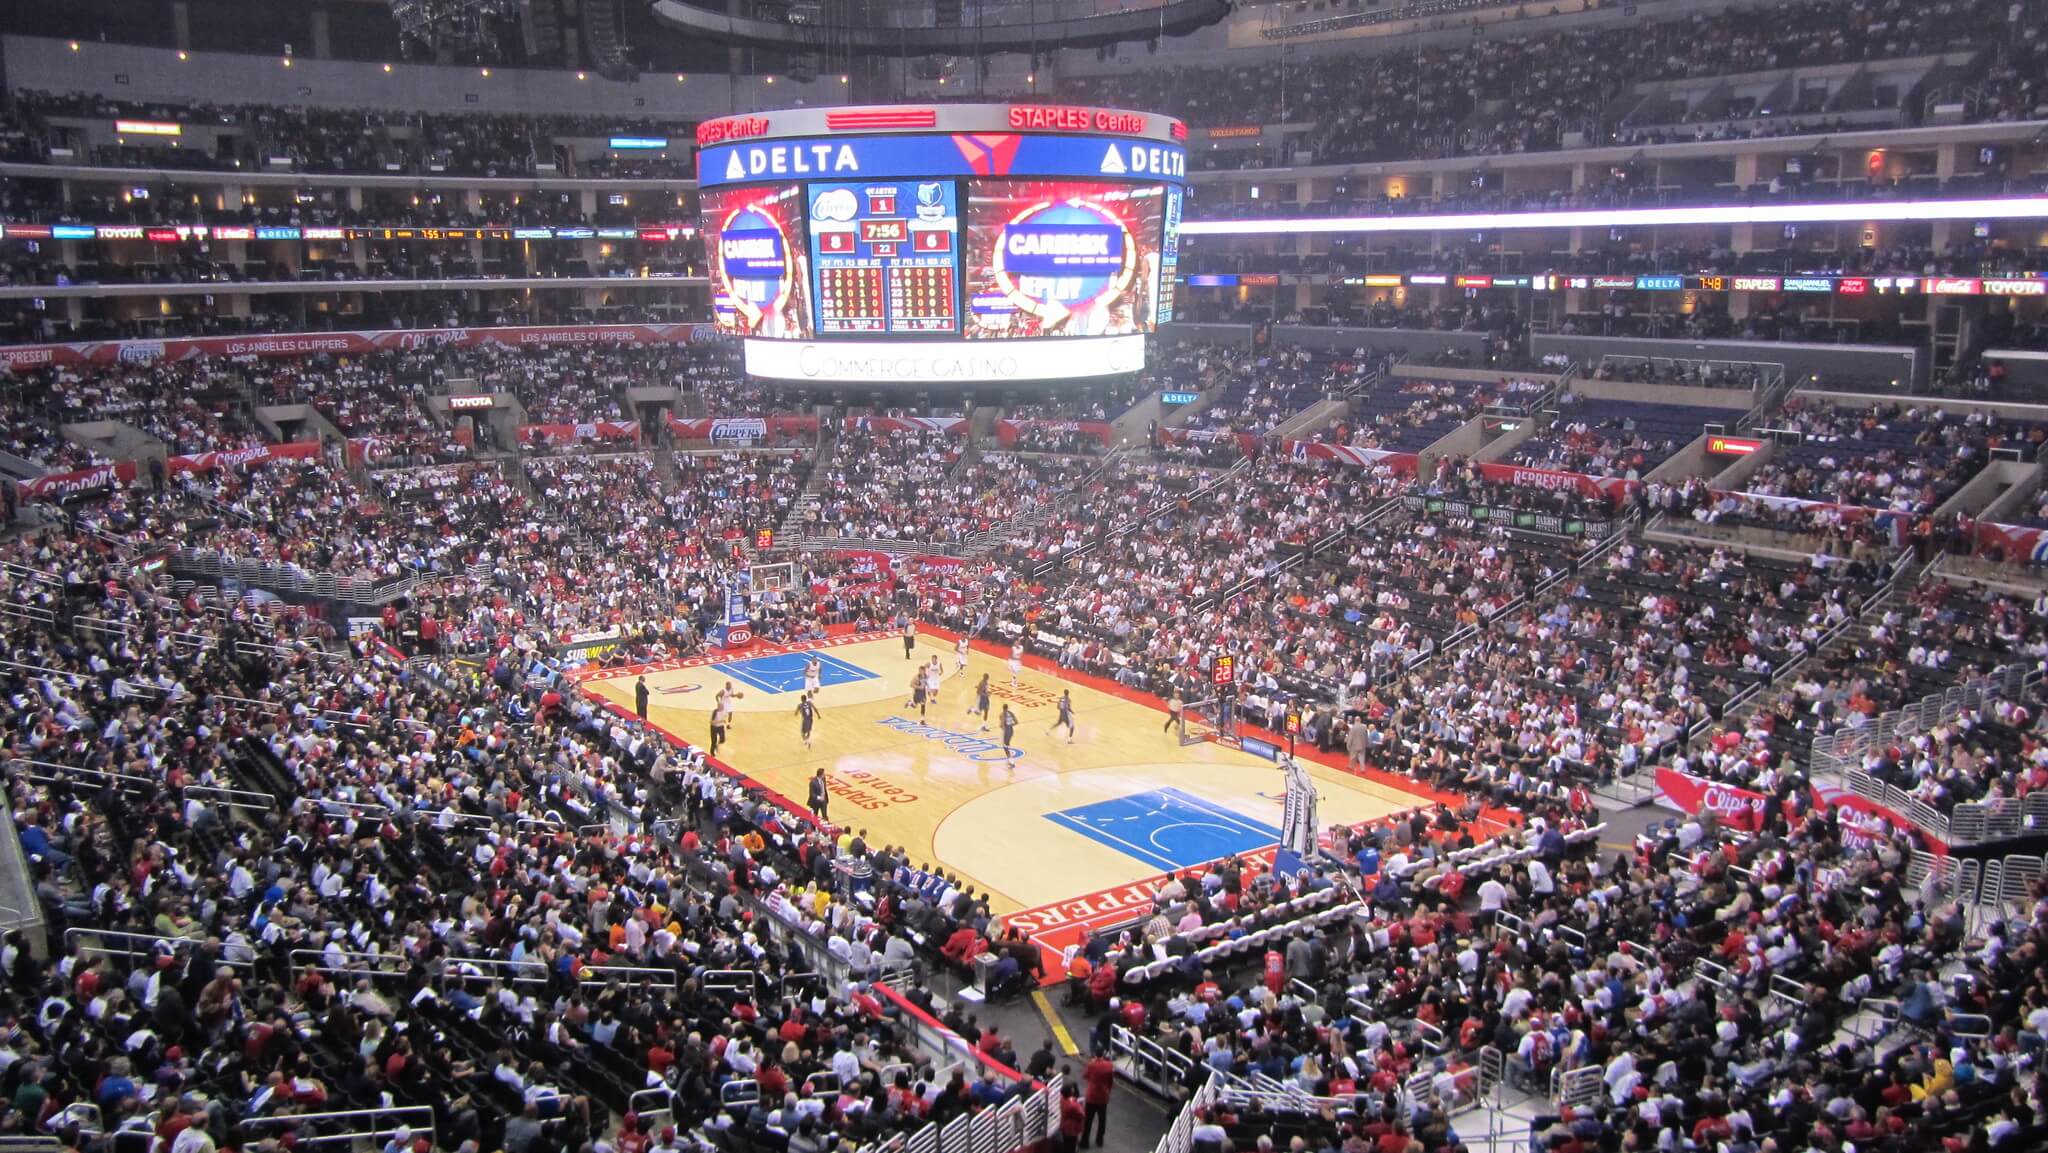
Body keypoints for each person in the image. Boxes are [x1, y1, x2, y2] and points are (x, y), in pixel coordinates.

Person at [1081, 1050, 1115, 1149]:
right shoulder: (1109, 1065)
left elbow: (1085, 1075)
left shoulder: (1092, 1065)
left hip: (1092, 1096)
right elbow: (1111, 1080)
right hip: (1103, 1096)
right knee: (1102, 1119)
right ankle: (1099, 1140)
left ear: (1095, 1055)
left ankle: (1084, 1142)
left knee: (1088, 1121)